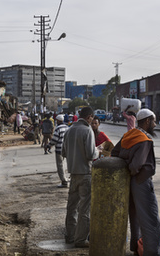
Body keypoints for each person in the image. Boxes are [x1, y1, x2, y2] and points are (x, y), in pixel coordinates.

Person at [111, 108, 160, 255]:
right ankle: (152, 252)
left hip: (130, 181)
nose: (155, 124)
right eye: (154, 121)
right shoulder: (144, 140)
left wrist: (126, 170)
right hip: (141, 181)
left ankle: (136, 247)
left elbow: (114, 153)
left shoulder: (129, 134)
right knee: (151, 219)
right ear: (147, 121)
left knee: (135, 216)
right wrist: (131, 169)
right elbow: (136, 165)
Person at [62, 106, 98, 248]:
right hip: (85, 174)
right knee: (84, 208)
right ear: (89, 117)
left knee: (72, 206)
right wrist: (98, 151)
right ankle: (81, 239)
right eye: (92, 119)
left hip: (73, 173)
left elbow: (64, 152)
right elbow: (90, 154)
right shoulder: (87, 130)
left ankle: (70, 236)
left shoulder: (69, 130)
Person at [47, 114, 69, 188]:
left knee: (60, 165)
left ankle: (64, 181)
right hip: (67, 149)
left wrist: (49, 145)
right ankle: (66, 178)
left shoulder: (58, 128)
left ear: (58, 121)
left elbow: (55, 139)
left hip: (59, 149)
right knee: (65, 165)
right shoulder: (67, 128)